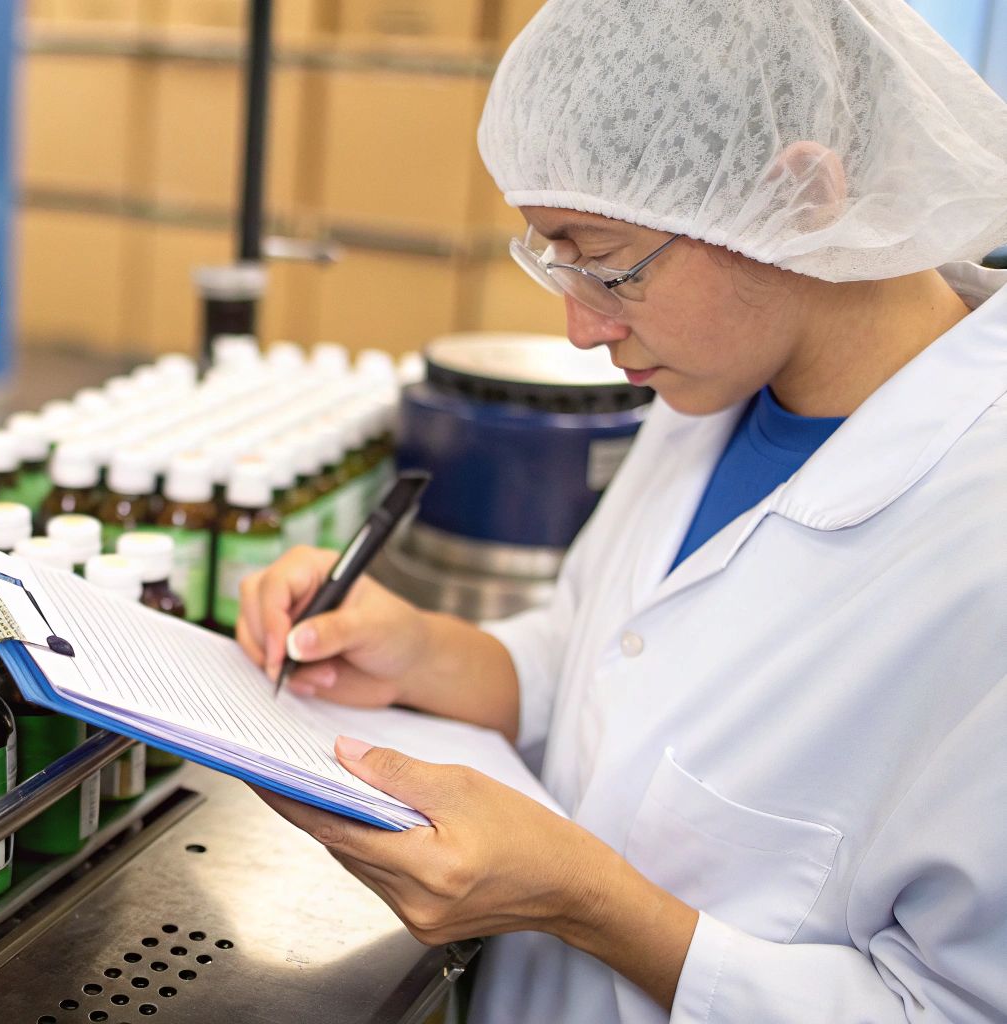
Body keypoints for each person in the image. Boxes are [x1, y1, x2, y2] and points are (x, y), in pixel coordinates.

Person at [237, 1, 1007, 1021]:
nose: (580, 328)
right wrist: (423, 652)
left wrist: (587, 902)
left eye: (605, 265)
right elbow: (609, 665)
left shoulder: (978, 540)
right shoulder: (717, 383)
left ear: (803, 197)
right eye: (554, 258)